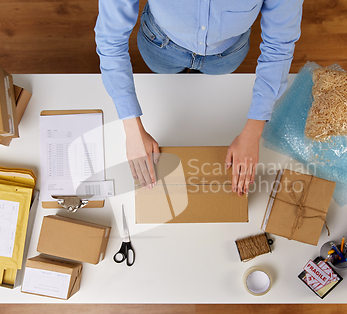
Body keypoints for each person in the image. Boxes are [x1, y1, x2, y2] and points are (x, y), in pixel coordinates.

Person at [95, 0, 303, 196]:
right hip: (161, 46)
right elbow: (110, 39)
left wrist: (254, 131)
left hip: (226, 55)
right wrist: (132, 130)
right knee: (168, 79)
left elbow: (279, 45)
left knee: (207, 91)